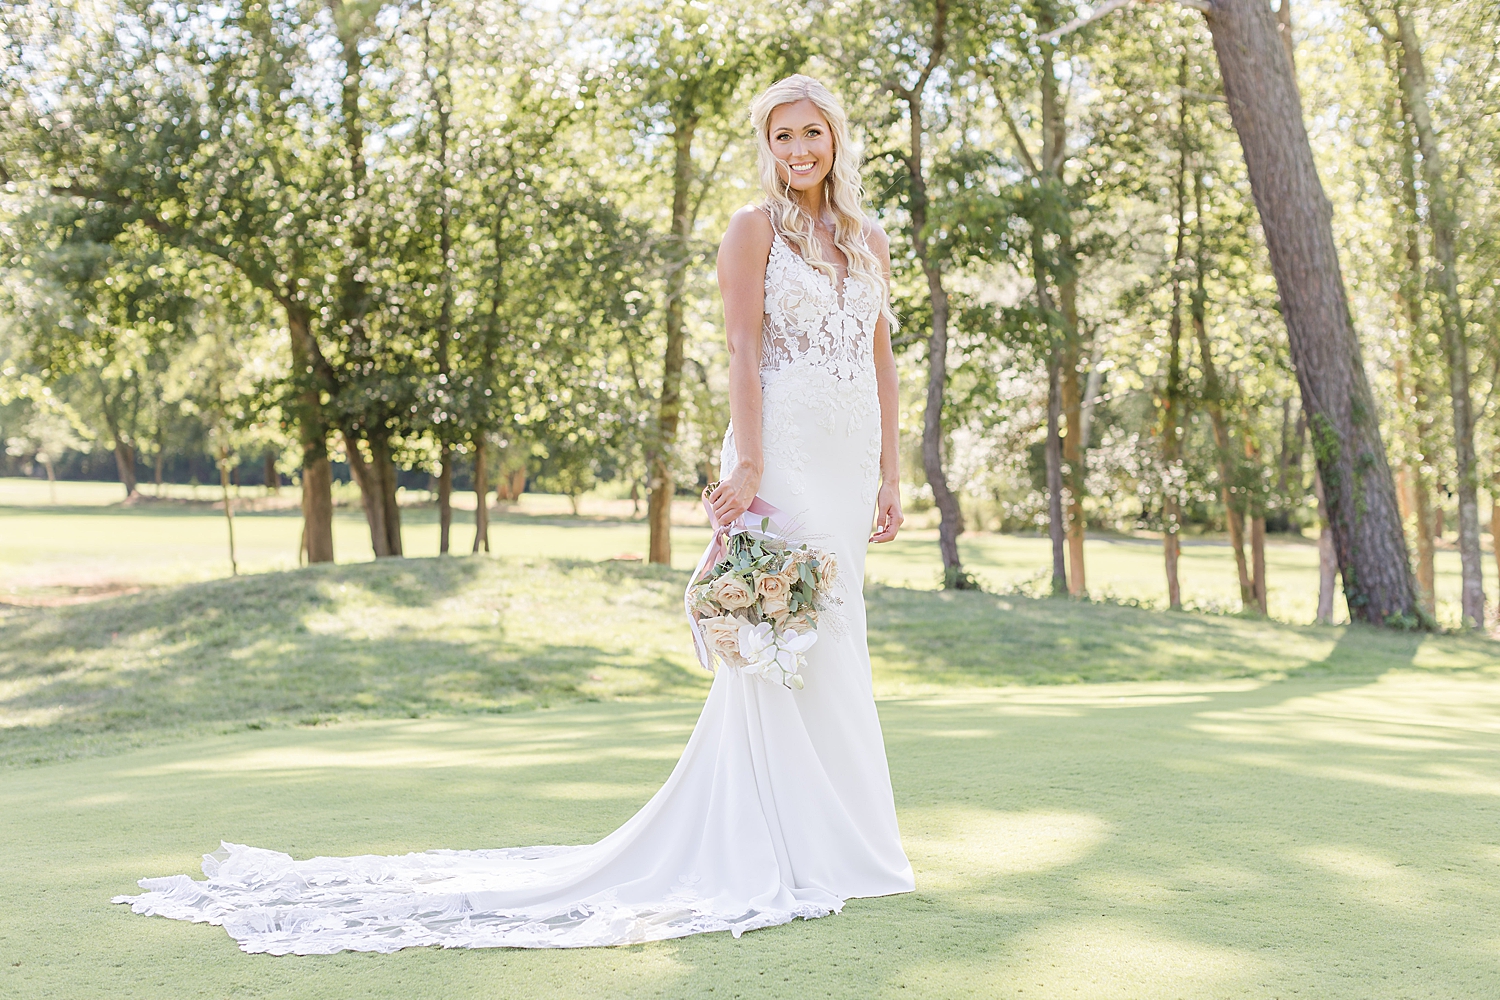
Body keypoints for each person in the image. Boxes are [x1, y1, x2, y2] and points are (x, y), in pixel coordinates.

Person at [113, 74, 913, 954]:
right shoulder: (751, 229)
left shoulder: (868, 238)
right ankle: (781, 846)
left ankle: (851, 845)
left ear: (836, 138)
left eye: (812, 134)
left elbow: (881, 360)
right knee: (779, 636)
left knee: (838, 632)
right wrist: (750, 461)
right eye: (782, 137)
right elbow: (741, 346)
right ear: (766, 147)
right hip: (783, 455)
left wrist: (889, 472)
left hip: (846, 465)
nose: (799, 151)